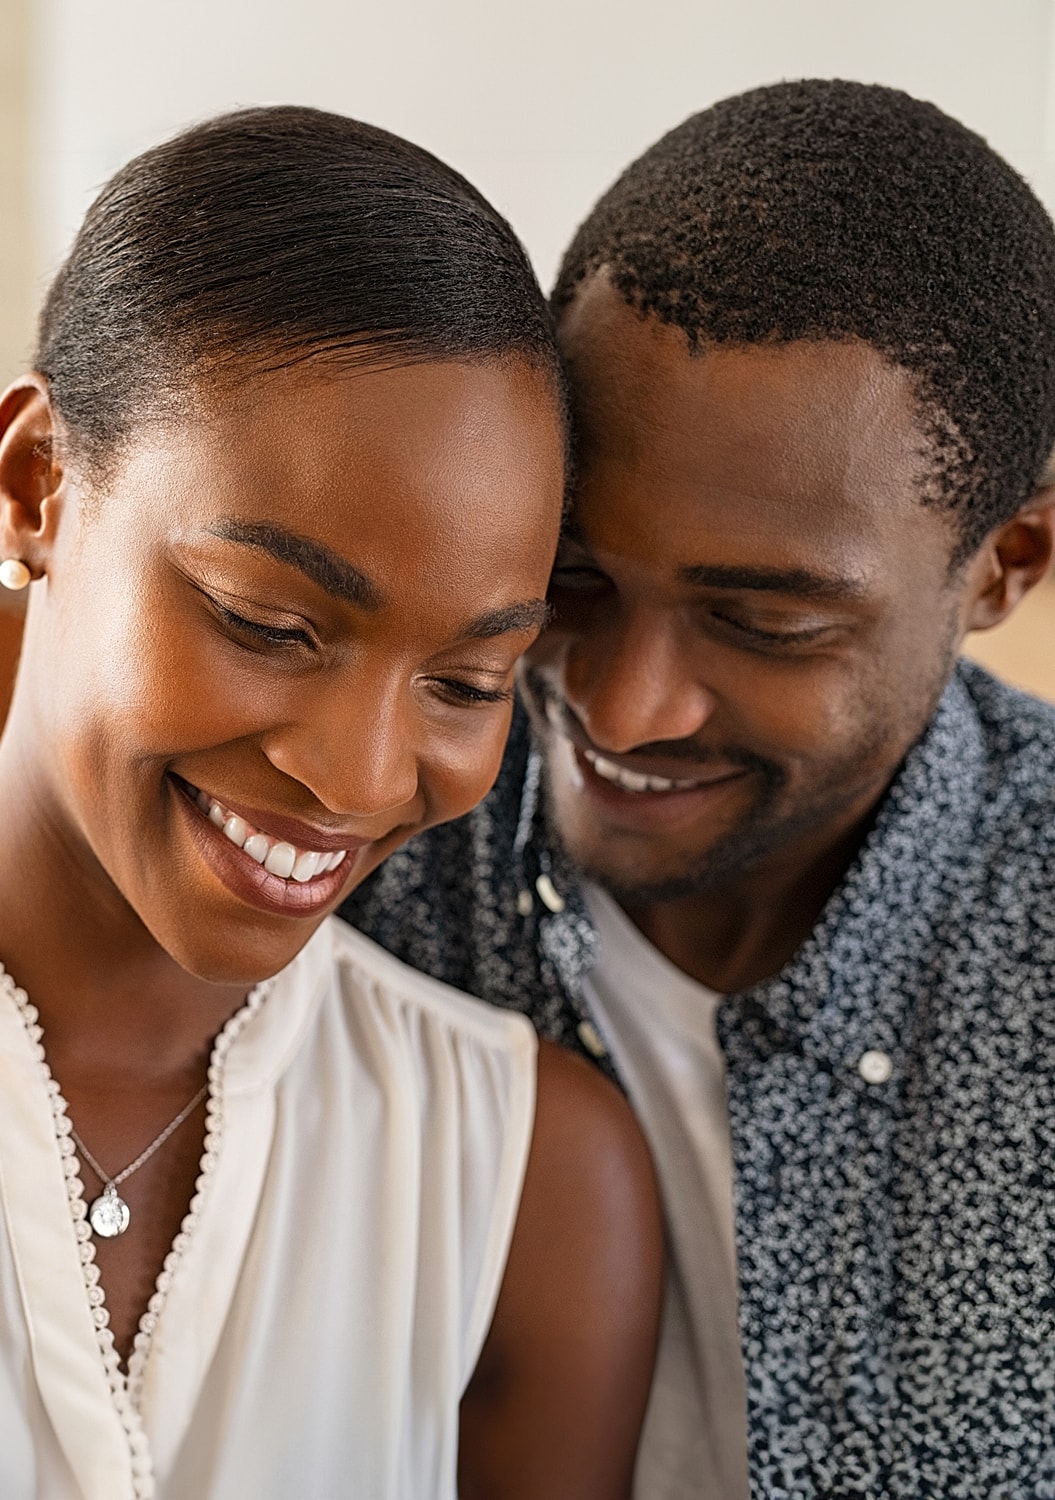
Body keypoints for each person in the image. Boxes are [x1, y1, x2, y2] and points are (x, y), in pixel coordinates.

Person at [343, 79, 1055, 1499]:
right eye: (576, 579)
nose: (617, 705)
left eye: (765, 624)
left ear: (1006, 567)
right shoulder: (354, 857)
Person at [0, 106, 663, 1500]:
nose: (357, 778)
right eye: (267, 622)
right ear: (38, 484)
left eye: (469, 681)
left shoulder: (528, 1180)